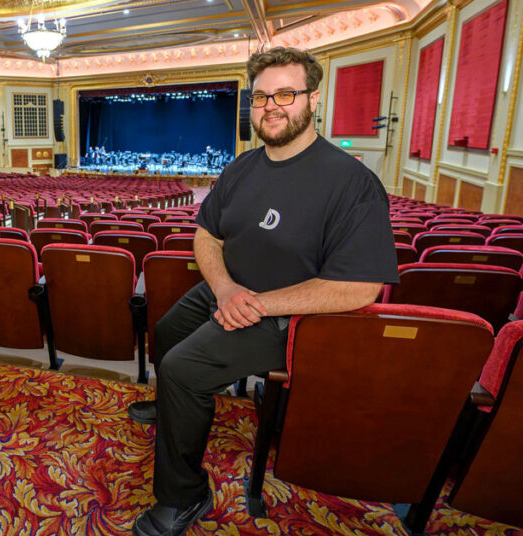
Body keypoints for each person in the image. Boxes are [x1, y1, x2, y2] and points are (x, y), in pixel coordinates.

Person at [129, 46, 399, 536]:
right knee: (166, 330)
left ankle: (183, 496)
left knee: (181, 368)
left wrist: (255, 303)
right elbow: (206, 235)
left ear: (313, 99)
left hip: (290, 317)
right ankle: (172, 409)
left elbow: (361, 287)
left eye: (286, 93)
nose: (271, 105)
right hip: (229, 289)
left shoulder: (352, 182)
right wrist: (226, 287)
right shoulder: (242, 167)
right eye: (260, 96)